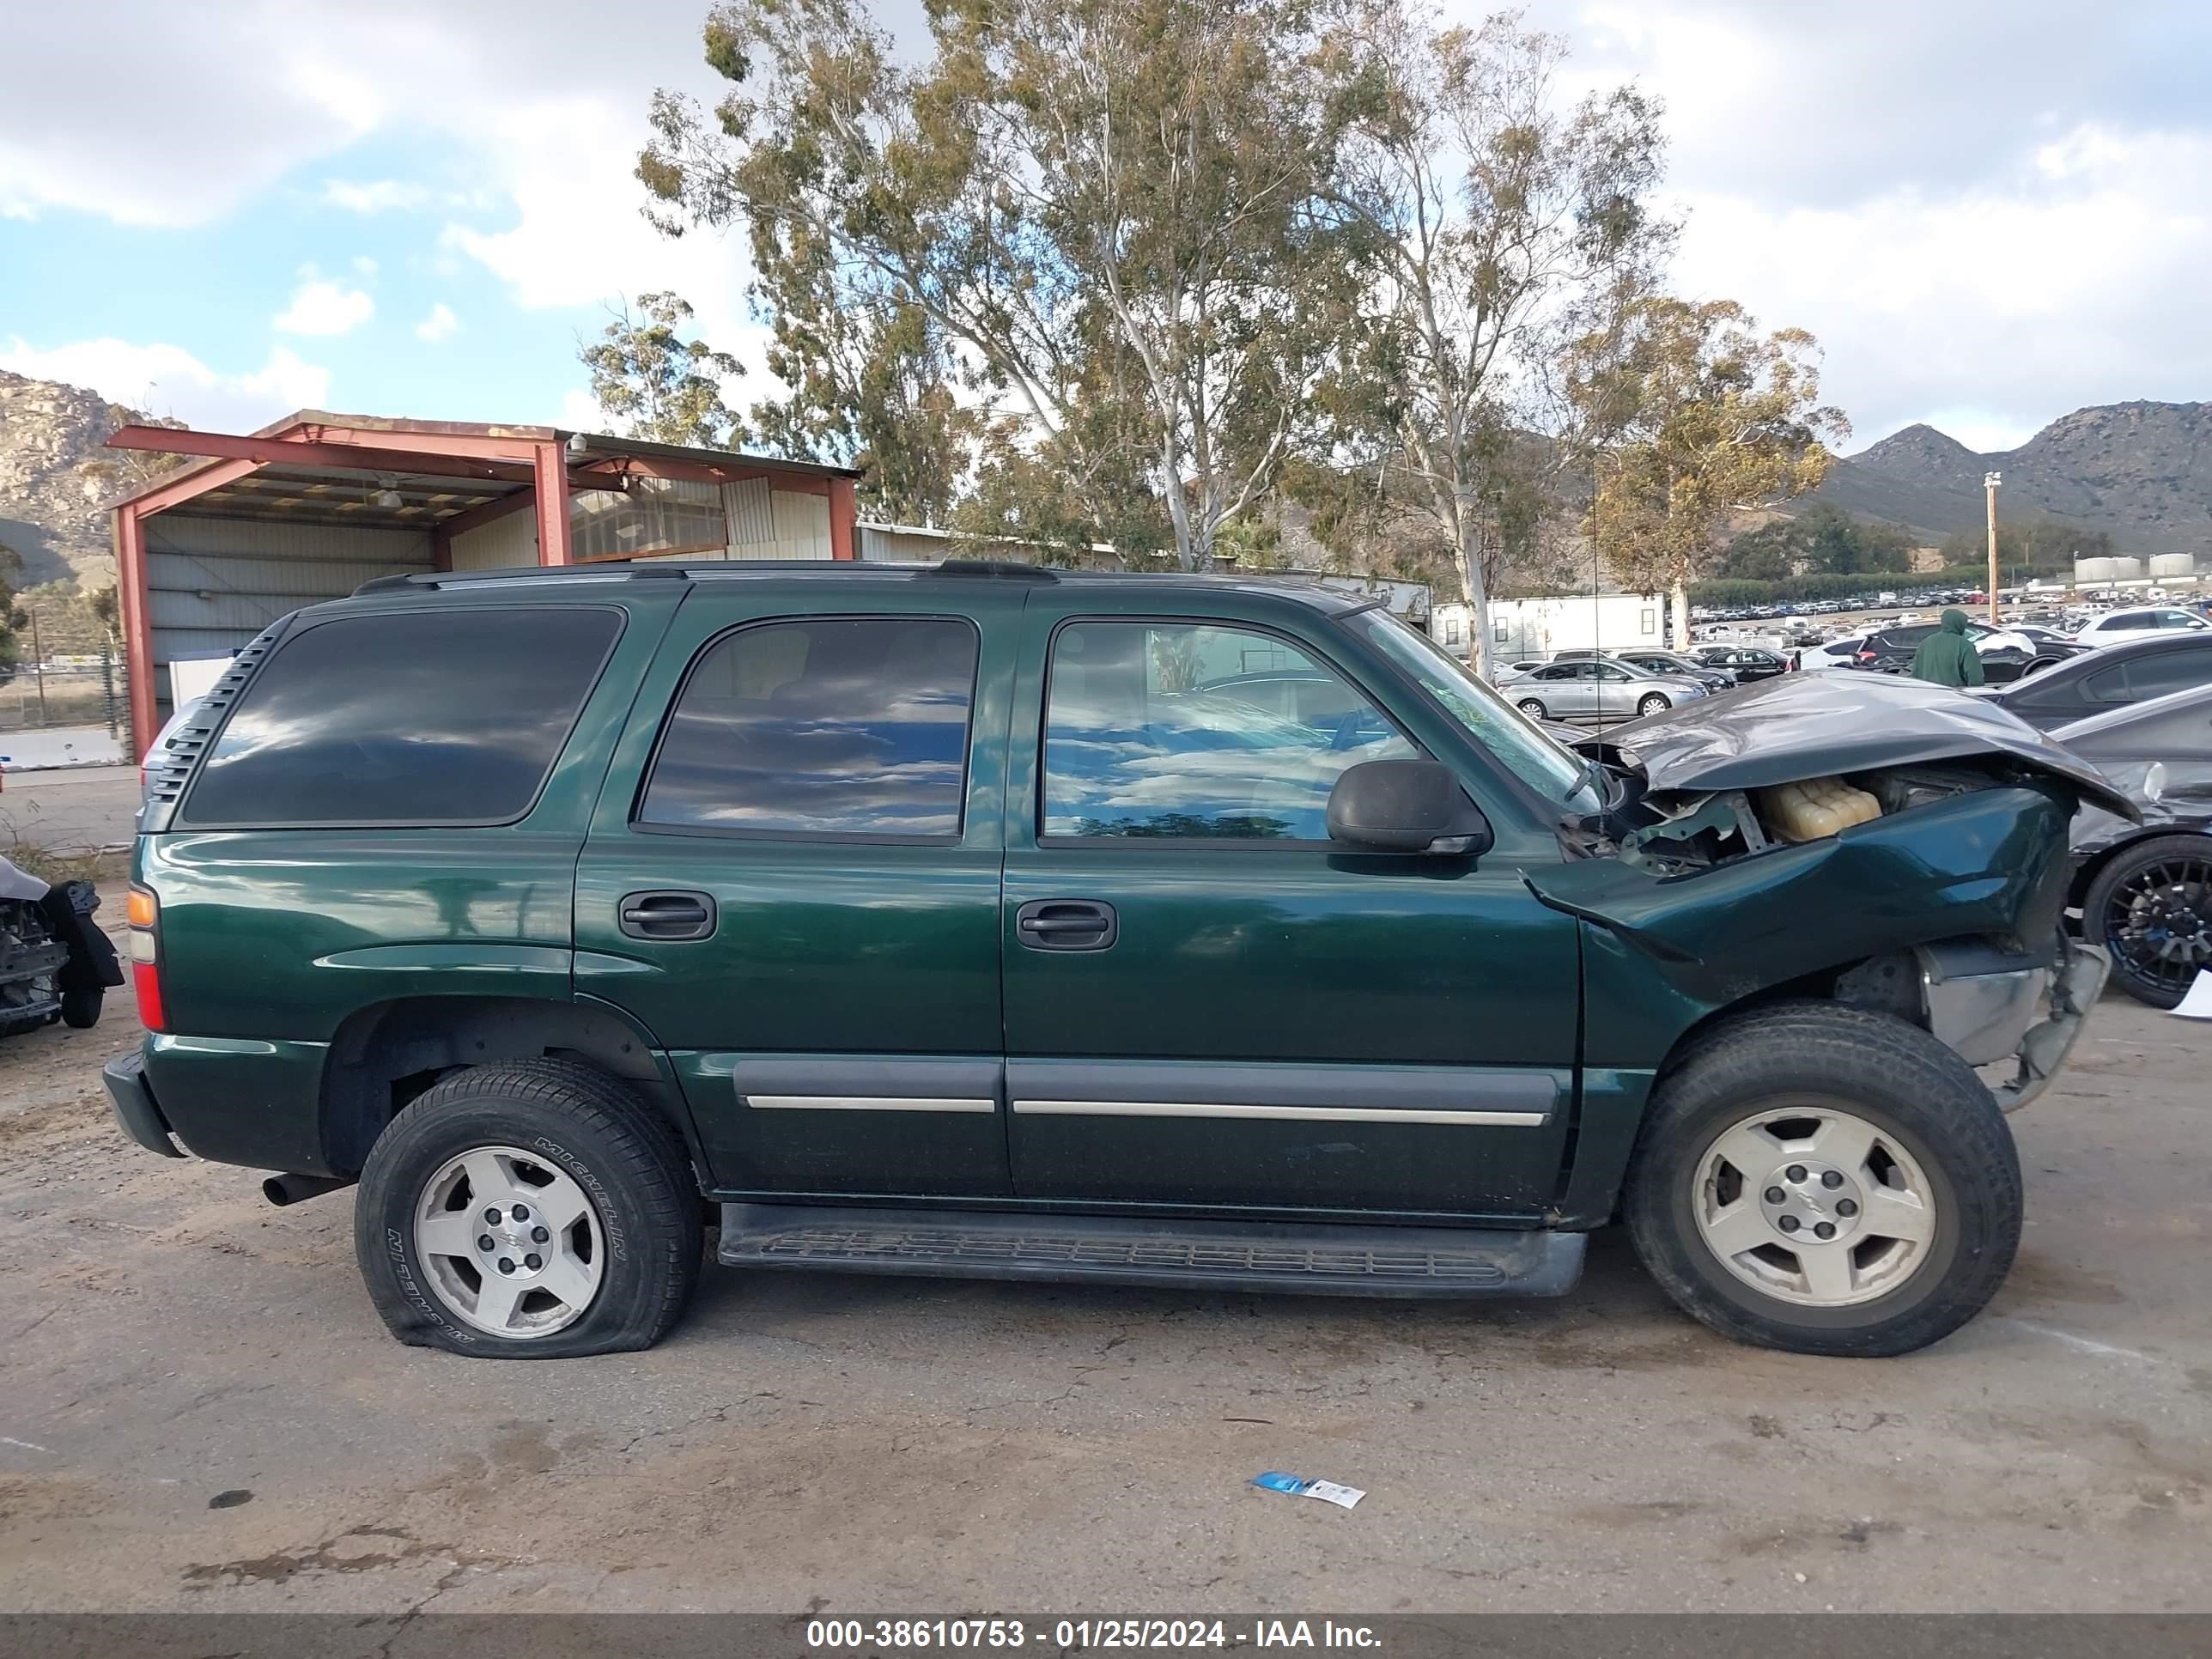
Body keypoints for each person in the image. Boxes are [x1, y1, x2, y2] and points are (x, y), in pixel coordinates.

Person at [1911, 608, 1984, 687]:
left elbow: (1916, 673)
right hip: (1955, 695)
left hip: (1928, 694)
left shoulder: (1925, 643)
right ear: (1960, 624)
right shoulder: (1965, 645)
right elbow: (1975, 678)